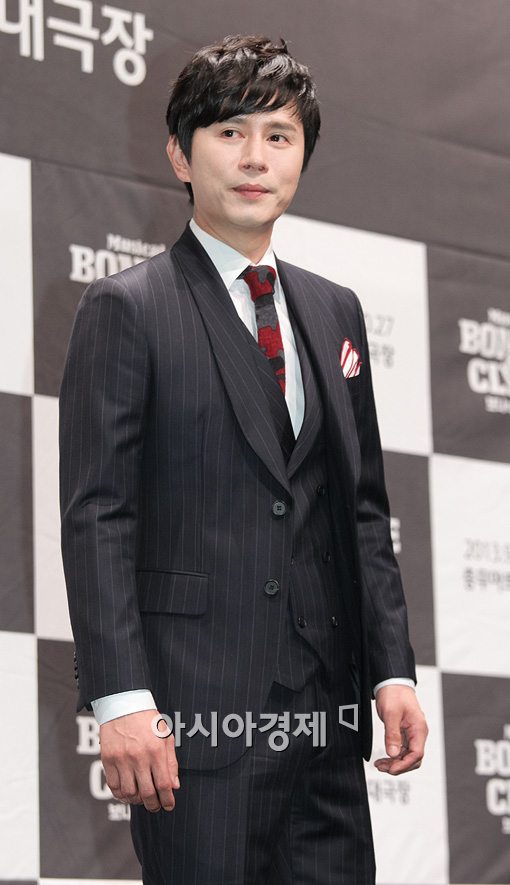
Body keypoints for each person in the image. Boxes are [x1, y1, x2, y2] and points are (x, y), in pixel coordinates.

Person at [59, 34, 428, 885]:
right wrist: (122, 698)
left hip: (328, 722)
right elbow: (99, 514)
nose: (256, 157)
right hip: (194, 721)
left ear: (301, 156)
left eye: (279, 135)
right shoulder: (129, 307)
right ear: (180, 156)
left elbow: (362, 509)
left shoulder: (335, 311)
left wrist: (392, 670)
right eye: (229, 132)